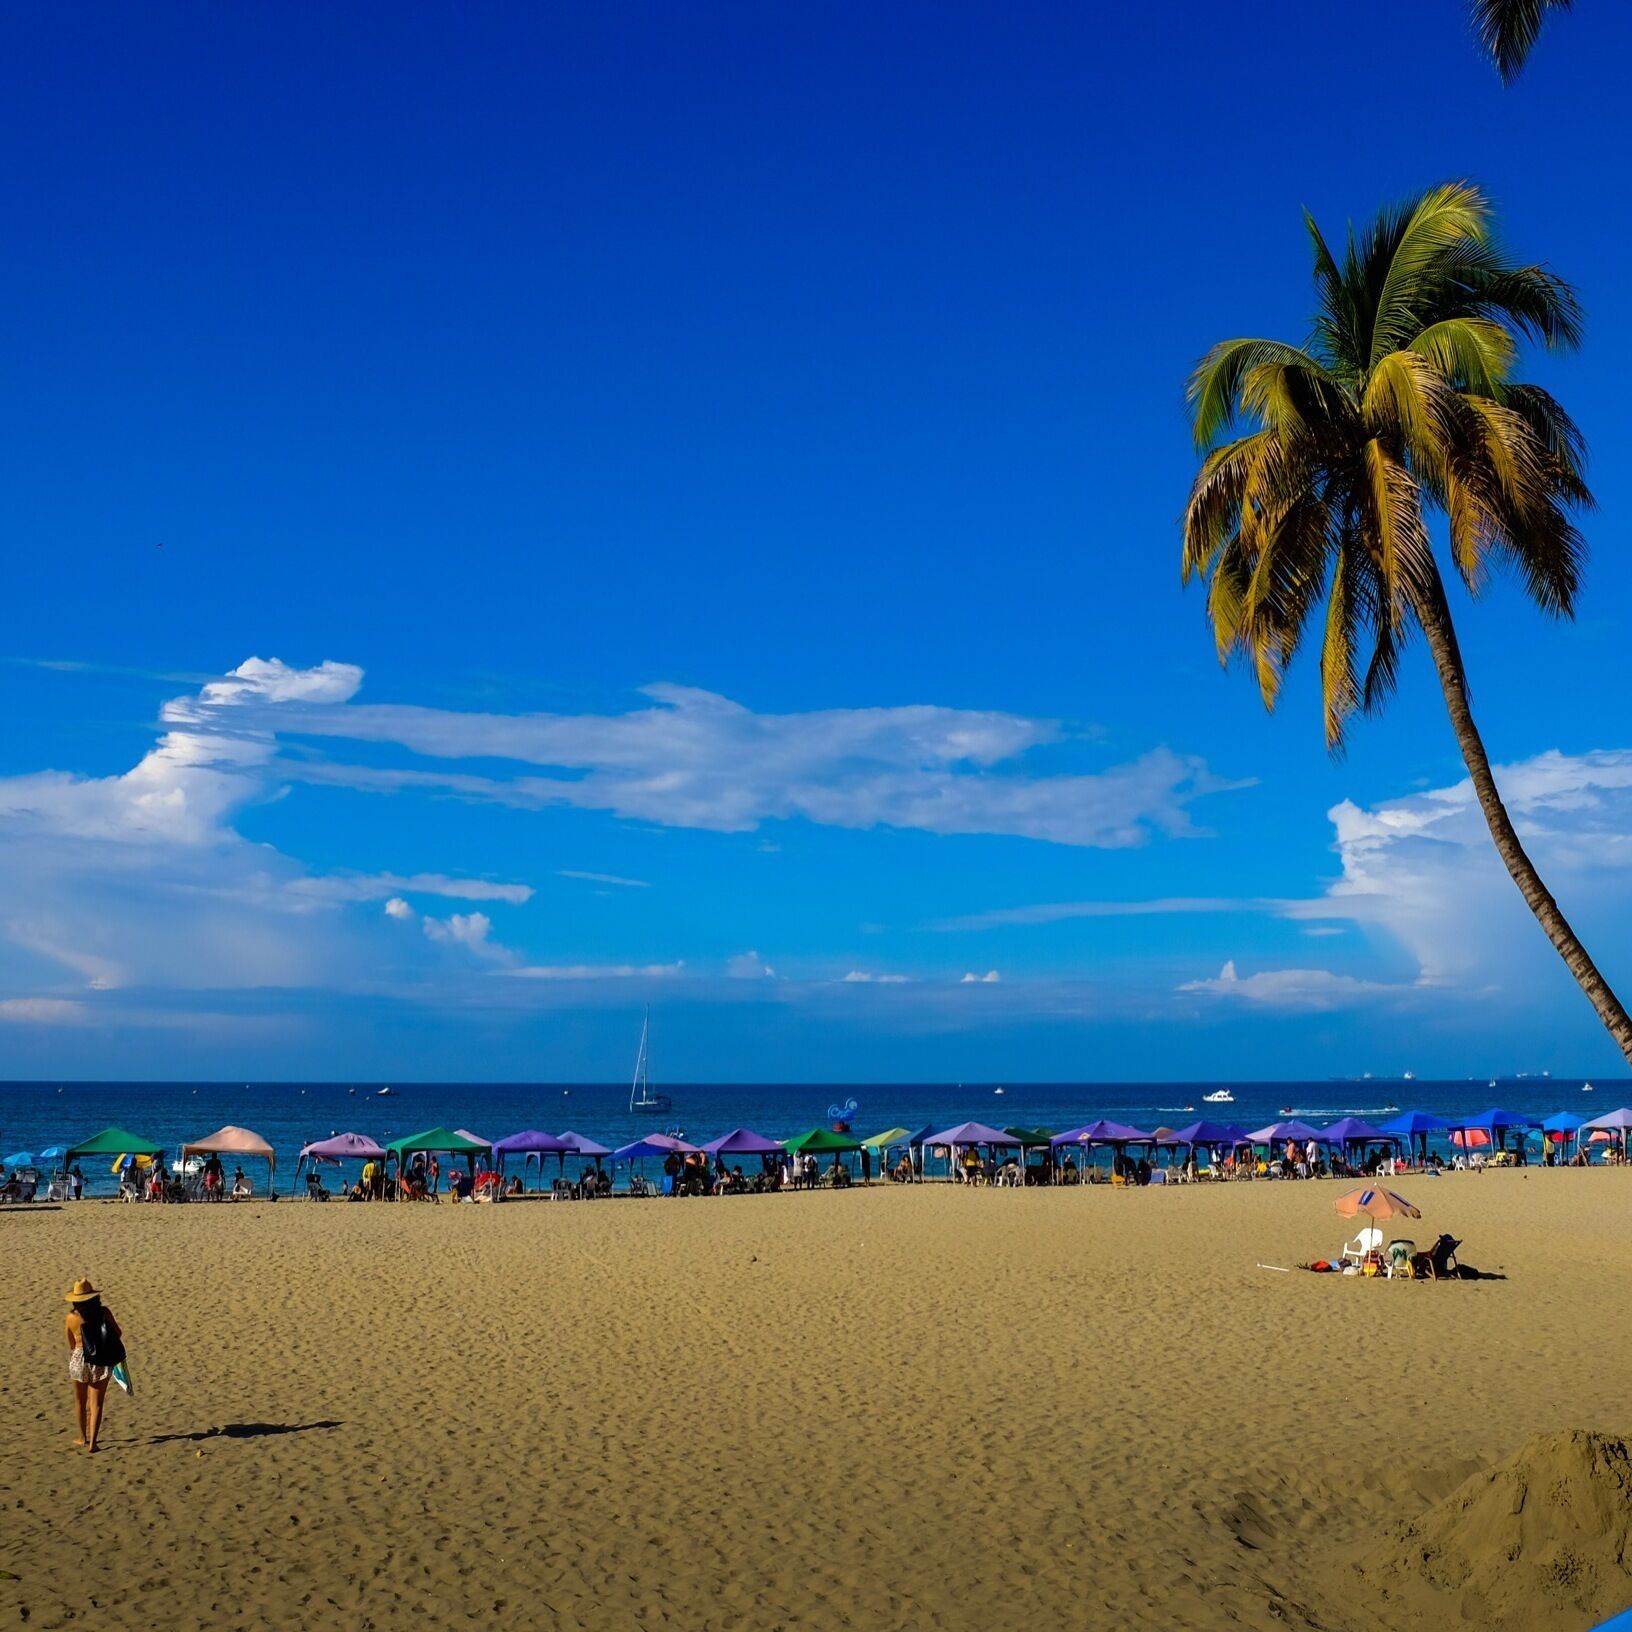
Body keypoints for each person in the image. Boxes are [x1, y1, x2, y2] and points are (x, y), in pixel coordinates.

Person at [64, 1279, 123, 1453]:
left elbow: (71, 1343)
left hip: (79, 1359)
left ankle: (82, 1437)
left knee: (80, 1401)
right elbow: (118, 1333)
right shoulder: (104, 1313)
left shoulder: (71, 1317)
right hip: (101, 1359)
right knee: (96, 1404)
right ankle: (93, 1444)